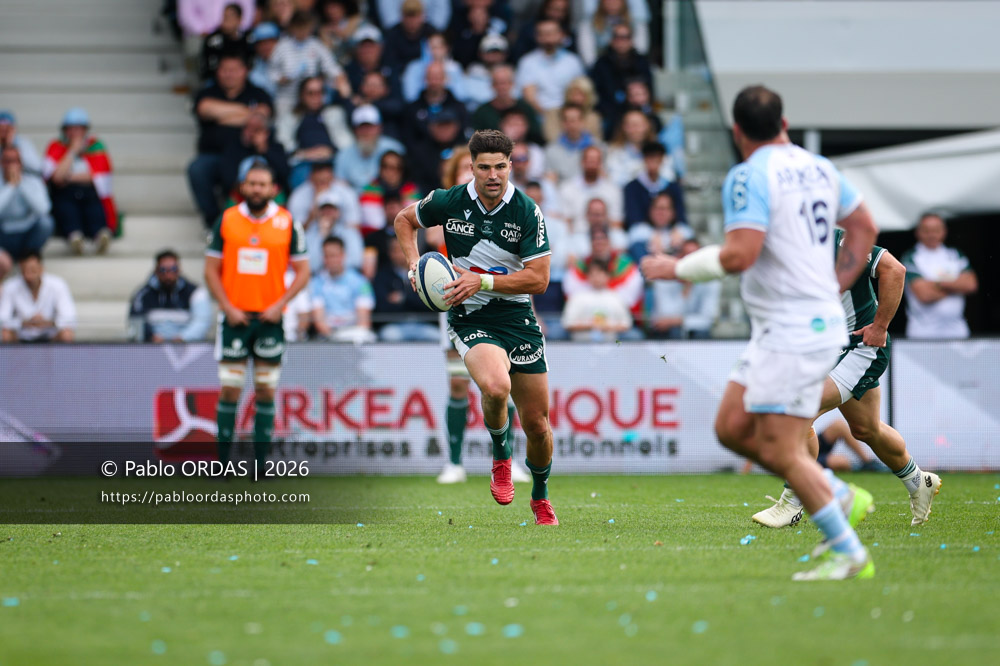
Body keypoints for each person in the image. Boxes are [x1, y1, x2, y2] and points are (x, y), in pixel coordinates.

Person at [640, 85, 879, 580]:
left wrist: (677, 268)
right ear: (783, 123)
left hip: (795, 329)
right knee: (732, 426)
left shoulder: (749, 175)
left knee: (777, 447)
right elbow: (864, 225)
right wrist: (839, 280)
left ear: (737, 132)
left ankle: (844, 536)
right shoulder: (819, 166)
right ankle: (837, 504)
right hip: (786, 327)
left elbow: (739, 255)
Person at [394, 129, 556, 524]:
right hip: (471, 316)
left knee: (537, 425)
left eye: (500, 166)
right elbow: (403, 219)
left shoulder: (526, 210)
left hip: (518, 318)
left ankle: (540, 496)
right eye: (484, 167)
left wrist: (481, 279)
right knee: (496, 387)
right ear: (472, 168)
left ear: (510, 166)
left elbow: (539, 279)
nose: (493, 175)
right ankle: (501, 456)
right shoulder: (449, 201)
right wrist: (415, 264)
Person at [751, 229, 941, 528]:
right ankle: (919, 481)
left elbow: (894, 269)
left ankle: (793, 502)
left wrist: (880, 327)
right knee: (867, 429)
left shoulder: (839, 243)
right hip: (826, 351)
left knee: (798, 412)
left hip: (861, 347)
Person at [422, 147, 530, 485]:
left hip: (501, 302)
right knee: (457, 383)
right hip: (457, 302)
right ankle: (454, 462)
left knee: (503, 382)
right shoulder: (447, 207)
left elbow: (523, 266)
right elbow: (431, 237)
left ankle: (508, 462)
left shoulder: (509, 210)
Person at [204, 162, 310, 469]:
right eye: (251, 183)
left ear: (273, 189)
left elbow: (303, 273)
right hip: (234, 317)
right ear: (243, 186)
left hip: (270, 319)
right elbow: (211, 269)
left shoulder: (288, 222)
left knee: (265, 389)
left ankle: (260, 466)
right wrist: (227, 307)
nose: (257, 189)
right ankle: (222, 466)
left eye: (262, 184)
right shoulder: (227, 220)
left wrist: (280, 305)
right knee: (230, 388)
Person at [189, 53, 273, 228]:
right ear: (218, 72)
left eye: (234, 70)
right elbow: (204, 109)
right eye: (225, 70)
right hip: (213, 155)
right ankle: (213, 222)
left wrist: (222, 115)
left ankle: (255, 221)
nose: (229, 74)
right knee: (197, 169)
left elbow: (262, 116)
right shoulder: (207, 92)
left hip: (247, 156)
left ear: (245, 71)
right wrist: (247, 111)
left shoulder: (257, 92)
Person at [43, 108, 118, 254]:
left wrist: (68, 177)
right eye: (70, 128)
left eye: (78, 128)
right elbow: (56, 177)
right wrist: (72, 151)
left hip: (90, 193)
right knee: (66, 207)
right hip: (64, 194)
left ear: (85, 130)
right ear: (64, 130)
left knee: (94, 206)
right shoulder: (56, 146)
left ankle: (101, 236)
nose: (74, 133)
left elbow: (99, 176)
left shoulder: (96, 145)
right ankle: (75, 238)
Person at [901, 213, 978, 339]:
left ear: (944, 231)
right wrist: (957, 286)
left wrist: (936, 284)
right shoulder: (911, 257)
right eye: (927, 231)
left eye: (936, 230)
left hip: (957, 331)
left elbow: (971, 284)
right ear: (918, 232)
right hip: (923, 333)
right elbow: (924, 294)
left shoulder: (955, 254)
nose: (932, 235)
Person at [127, 250, 212, 342]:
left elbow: (202, 321)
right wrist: (150, 337)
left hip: (187, 348)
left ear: (179, 269)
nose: (168, 275)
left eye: (173, 269)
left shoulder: (196, 292)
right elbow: (135, 322)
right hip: (151, 348)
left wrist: (183, 338)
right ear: (156, 271)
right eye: (163, 270)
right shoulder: (142, 295)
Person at [645, 239, 720, 339]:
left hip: (693, 331)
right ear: (678, 257)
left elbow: (708, 319)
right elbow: (666, 315)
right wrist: (686, 286)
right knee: (675, 331)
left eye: (695, 257)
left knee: (701, 333)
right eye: (686, 256)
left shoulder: (711, 281)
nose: (691, 262)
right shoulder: (662, 278)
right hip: (664, 332)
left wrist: (680, 321)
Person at [309, 236, 376, 342]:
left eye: (334, 255)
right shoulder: (316, 283)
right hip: (328, 337)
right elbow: (319, 321)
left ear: (343, 255)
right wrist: (334, 337)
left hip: (354, 334)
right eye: (327, 256)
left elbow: (364, 321)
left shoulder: (360, 282)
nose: (331, 260)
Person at [0, 146, 53, 280]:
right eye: (7, 161)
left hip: (27, 233)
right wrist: (10, 187)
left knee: (46, 223)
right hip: (4, 234)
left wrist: (21, 184)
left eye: (15, 161)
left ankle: (28, 259)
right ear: (1, 163)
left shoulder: (33, 181)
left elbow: (43, 209)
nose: (11, 165)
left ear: (21, 163)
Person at [515, 19, 585, 120]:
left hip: (570, 116)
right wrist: (549, 118)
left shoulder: (573, 61)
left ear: (561, 35)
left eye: (551, 33)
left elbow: (579, 92)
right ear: (537, 37)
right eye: (543, 33)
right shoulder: (527, 62)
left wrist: (567, 116)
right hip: (539, 116)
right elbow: (529, 97)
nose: (547, 37)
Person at [0, 251, 76, 343]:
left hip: (50, 336)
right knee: (6, 334)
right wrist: (23, 323)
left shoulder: (58, 285)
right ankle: (10, 358)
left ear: (41, 268)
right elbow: (3, 320)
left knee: (67, 334)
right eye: (24, 271)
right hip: (21, 337)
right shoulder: (10, 287)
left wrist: (49, 323)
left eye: (33, 270)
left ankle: (62, 357)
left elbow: (70, 318)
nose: (29, 276)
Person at [335, 105, 407, 191]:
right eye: (361, 128)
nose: (366, 132)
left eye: (370, 127)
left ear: (379, 128)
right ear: (354, 130)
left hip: (388, 200)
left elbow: (405, 183)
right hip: (355, 201)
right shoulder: (343, 155)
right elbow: (340, 187)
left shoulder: (395, 149)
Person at [561, 258, 632, 342]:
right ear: (588, 276)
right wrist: (591, 326)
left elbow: (626, 324)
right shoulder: (577, 297)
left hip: (611, 345)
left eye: (599, 274)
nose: (596, 278)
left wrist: (606, 327)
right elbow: (567, 323)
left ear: (607, 276)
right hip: (581, 345)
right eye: (593, 274)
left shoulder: (616, 297)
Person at [623, 141, 686, 229]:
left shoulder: (673, 187)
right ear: (644, 159)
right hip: (643, 230)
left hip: (670, 230)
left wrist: (675, 229)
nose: (653, 161)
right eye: (649, 157)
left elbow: (680, 216)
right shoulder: (631, 188)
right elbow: (633, 218)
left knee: (685, 233)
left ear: (662, 160)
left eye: (656, 158)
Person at [200, 3, 250, 82]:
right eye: (225, 17)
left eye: (231, 17)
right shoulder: (213, 39)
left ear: (239, 19)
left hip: (242, 79)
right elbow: (208, 66)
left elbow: (249, 62)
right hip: (217, 79)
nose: (226, 21)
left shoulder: (247, 38)